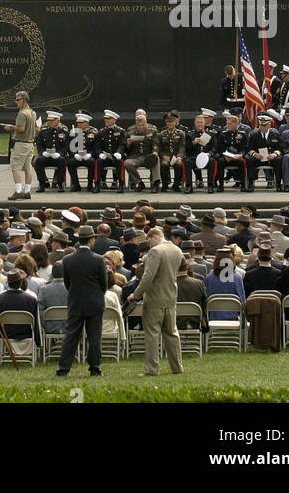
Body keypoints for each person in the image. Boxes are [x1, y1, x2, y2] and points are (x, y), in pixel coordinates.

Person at [127, 226, 185, 377]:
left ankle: (152, 369)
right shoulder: (177, 251)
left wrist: (136, 294)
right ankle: (177, 367)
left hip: (154, 299)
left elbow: (148, 277)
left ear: (153, 237)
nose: (149, 245)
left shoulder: (155, 251)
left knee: (152, 334)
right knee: (172, 333)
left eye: (149, 241)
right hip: (171, 297)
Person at [56, 224, 107, 378]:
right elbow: (103, 284)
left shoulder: (67, 260)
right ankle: (94, 367)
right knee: (94, 337)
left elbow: (67, 282)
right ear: (91, 240)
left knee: (71, 335)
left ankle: (63, 368)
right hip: (94, 302)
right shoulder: (98, 260)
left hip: (75, 301)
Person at [4, 91, 37, 200]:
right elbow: (36, 128)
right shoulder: (32, 112)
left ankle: (18, 191)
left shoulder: (22, 113)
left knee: (15, 167)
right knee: (27, 168)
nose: (16, 102)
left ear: (24, 100)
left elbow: (21, 129)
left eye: (18, 100)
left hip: (21, 144)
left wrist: (11, 127)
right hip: (30, 144)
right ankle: (27, 191)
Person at [124, 109, 161, 194]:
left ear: (146, 122)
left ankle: (155, 183)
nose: (141, 127)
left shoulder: (152, 130)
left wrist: (155, 151)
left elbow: (156, 142)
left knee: (156, 158)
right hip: (136, 156)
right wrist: (128, 144)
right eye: (139, 125)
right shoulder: (130, 131)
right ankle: (139, 182)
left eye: (143, 125)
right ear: (136, 124)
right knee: (127, 163)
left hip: (148, 155)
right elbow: (127, 150)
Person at [34, 110, 69, 193]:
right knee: (39, 160)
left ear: (58, 121)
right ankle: (42, 183)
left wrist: (59, 154)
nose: (49, 122)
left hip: (57, 157)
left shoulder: (63, 132)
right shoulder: (43, 132)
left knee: (62, 160)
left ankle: (60, 183)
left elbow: (66, 147)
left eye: (52, 121)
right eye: (49, 120)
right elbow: (40, 145)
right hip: (47, 156)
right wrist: (43, 153)